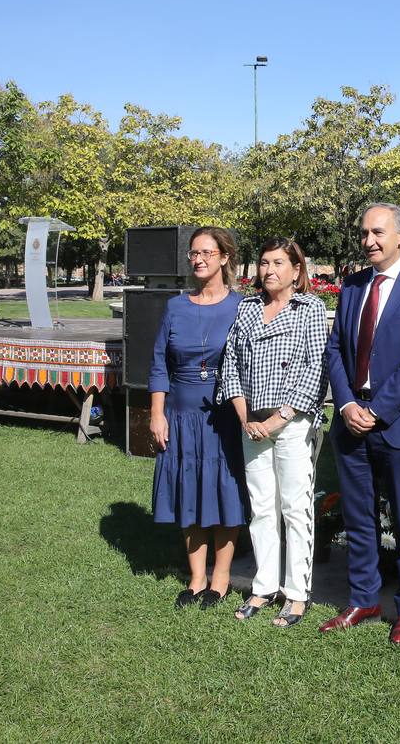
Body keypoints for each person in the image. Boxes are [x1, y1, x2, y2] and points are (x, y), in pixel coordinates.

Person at [321, 204, 400, 644]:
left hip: (397, 423)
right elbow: (335, 348)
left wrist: (377, 411)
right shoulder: (353, 285)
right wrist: (348, 405)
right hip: (352, 419)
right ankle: (364, 598)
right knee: (358, 517)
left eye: (378, 232)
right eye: (364, 233)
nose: (369, 240)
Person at [220, 237, 328, 627]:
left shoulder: (310, 309)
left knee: (294, 508)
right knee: (262, 507)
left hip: (292, 422)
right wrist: (245, 416)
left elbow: (314, 369)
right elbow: (230, 362)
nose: (269, 270)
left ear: (297, 271)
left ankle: (297, 593)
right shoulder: (248, 308)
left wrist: (275, 420)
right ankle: (263, 586)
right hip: (251, 422)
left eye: (279, 263)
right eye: (264, 263)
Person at [148, 228, 248, 609]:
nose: (199, 259)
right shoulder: (176, 306)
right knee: (189, 489)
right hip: (181, 412)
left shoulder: (242, 306)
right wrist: (157, 414)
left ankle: (220, 579)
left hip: (224, 414)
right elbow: (159, 363)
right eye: (194, 253)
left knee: (224, 492)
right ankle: (196, 578)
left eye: (208, 252)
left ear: (225, 257)